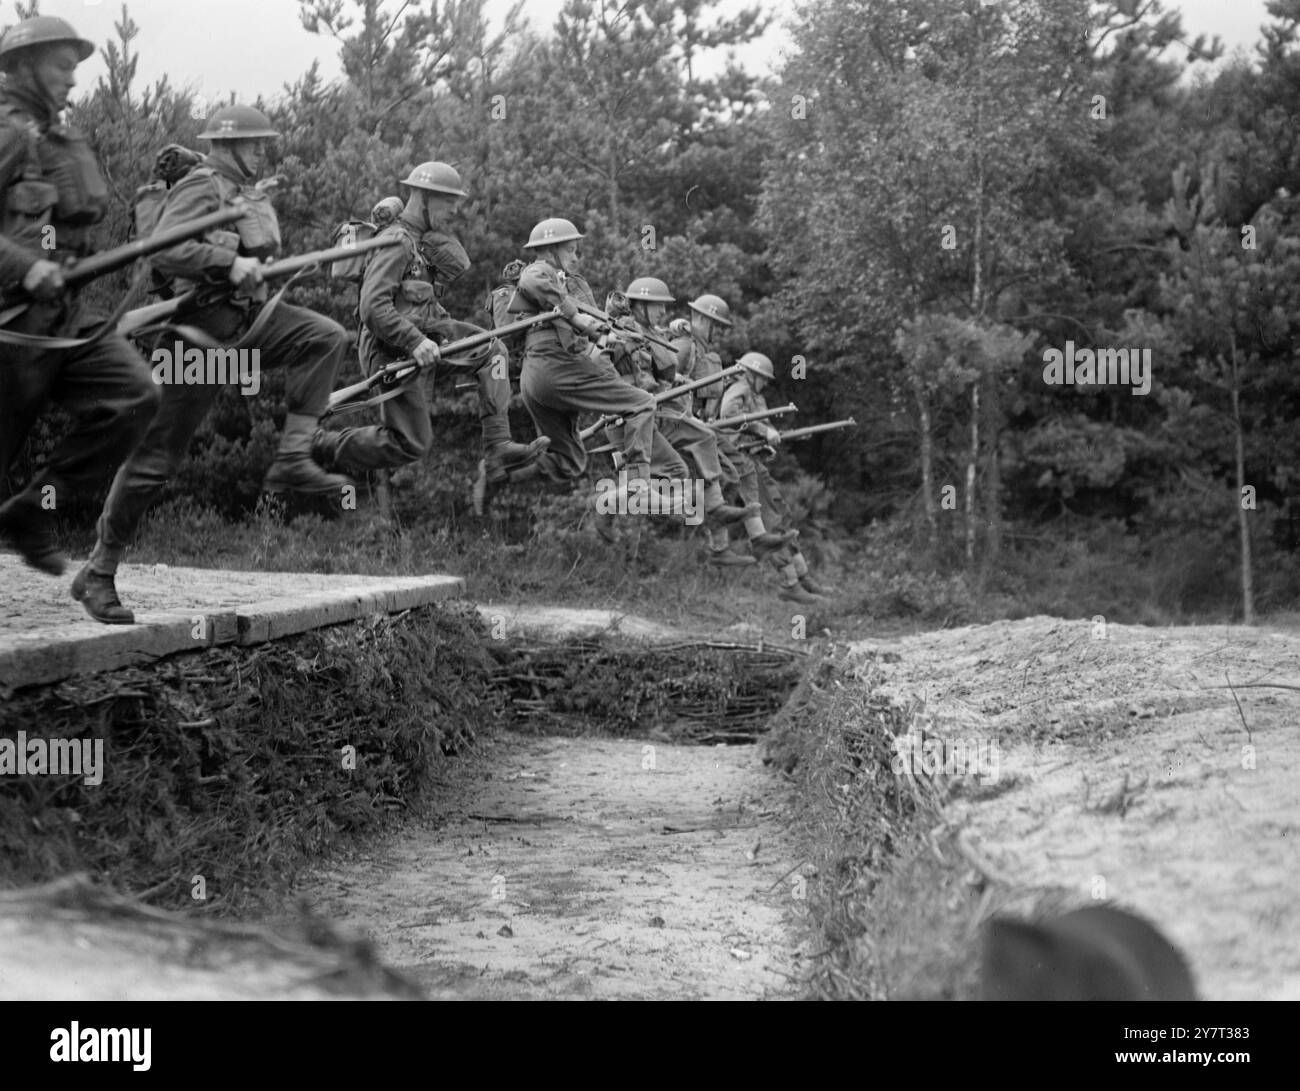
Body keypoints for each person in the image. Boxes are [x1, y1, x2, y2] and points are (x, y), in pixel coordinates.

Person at [76, 104, 351, 623]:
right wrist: (229, 261)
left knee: (325, 336)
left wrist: (255, 268)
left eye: (261, 142)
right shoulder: (202, 186)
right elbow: (164, 251)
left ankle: (294, 455)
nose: (260, 150)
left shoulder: (246, 193)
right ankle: (99, 570)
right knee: (157, 457)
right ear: (224, 145)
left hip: (247, 326)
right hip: (196, 339)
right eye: (252, 142)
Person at [0, 15, 158, 578]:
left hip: (64, 318)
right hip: (10, 325)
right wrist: (27, 265)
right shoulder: (8, 132)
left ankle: (34, 507)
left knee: (134, 395)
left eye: (75, 67)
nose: (72, 79)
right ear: (22, 66)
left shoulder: (61, 139)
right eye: (61, 66)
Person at [311, 162, 547, 484]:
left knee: (493, 351)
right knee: (411, 442)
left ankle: (497, 448)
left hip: (424, 339)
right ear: (422, 196)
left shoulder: (420, 244)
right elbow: (372, 307)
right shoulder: (397, 241)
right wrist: (414, 341)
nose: (454, 211)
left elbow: (429, 295)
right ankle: (317, 444)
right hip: (391, 349)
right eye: (448, 202)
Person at [495, 218, 682, 514]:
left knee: (570, 461)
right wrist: (576, 316)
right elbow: (532, 280)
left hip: (536, 379)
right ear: (551, 249)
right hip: (554, 364)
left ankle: (500, 473)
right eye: (570, 250)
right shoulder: (542, 270)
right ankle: (638, 486)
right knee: (642, 404)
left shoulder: (565, 282)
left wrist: (614, 341)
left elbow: (589, 341)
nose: (575, 257)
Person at [605, 276, 752, 531]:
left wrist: (676, 332)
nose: (663, 311)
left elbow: (661, 346)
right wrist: (671, 385)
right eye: (658, 305)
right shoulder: (628, 333)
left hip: (654, 411)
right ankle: (694, 510)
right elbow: (641, 380)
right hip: (643, 415)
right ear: (640, 306)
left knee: (686, 459)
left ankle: (697, 509)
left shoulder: (649, 331)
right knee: (686, 459)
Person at [665, 292, 797, 569]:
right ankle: (721, 543)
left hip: (701, 425)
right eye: (715, 325)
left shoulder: (707, 353)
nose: (718, 334)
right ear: (699, 318)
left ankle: (736, 542)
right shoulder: (684, 346)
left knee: (733, 474)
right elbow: (662, 384)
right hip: (678, 423)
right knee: (720, 477)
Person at [719, 352, 832, 602]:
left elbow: (762, 427)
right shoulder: (739, 388)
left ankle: (803, 578)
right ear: (752, 374)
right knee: (771, 519)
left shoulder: (754, 395)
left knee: (782, 513)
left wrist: (776, 436)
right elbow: (728, 415)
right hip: (740, 459)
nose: (766, 384)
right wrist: (762, 430)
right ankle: (789, 583)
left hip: (753, 459)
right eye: (763, 379)